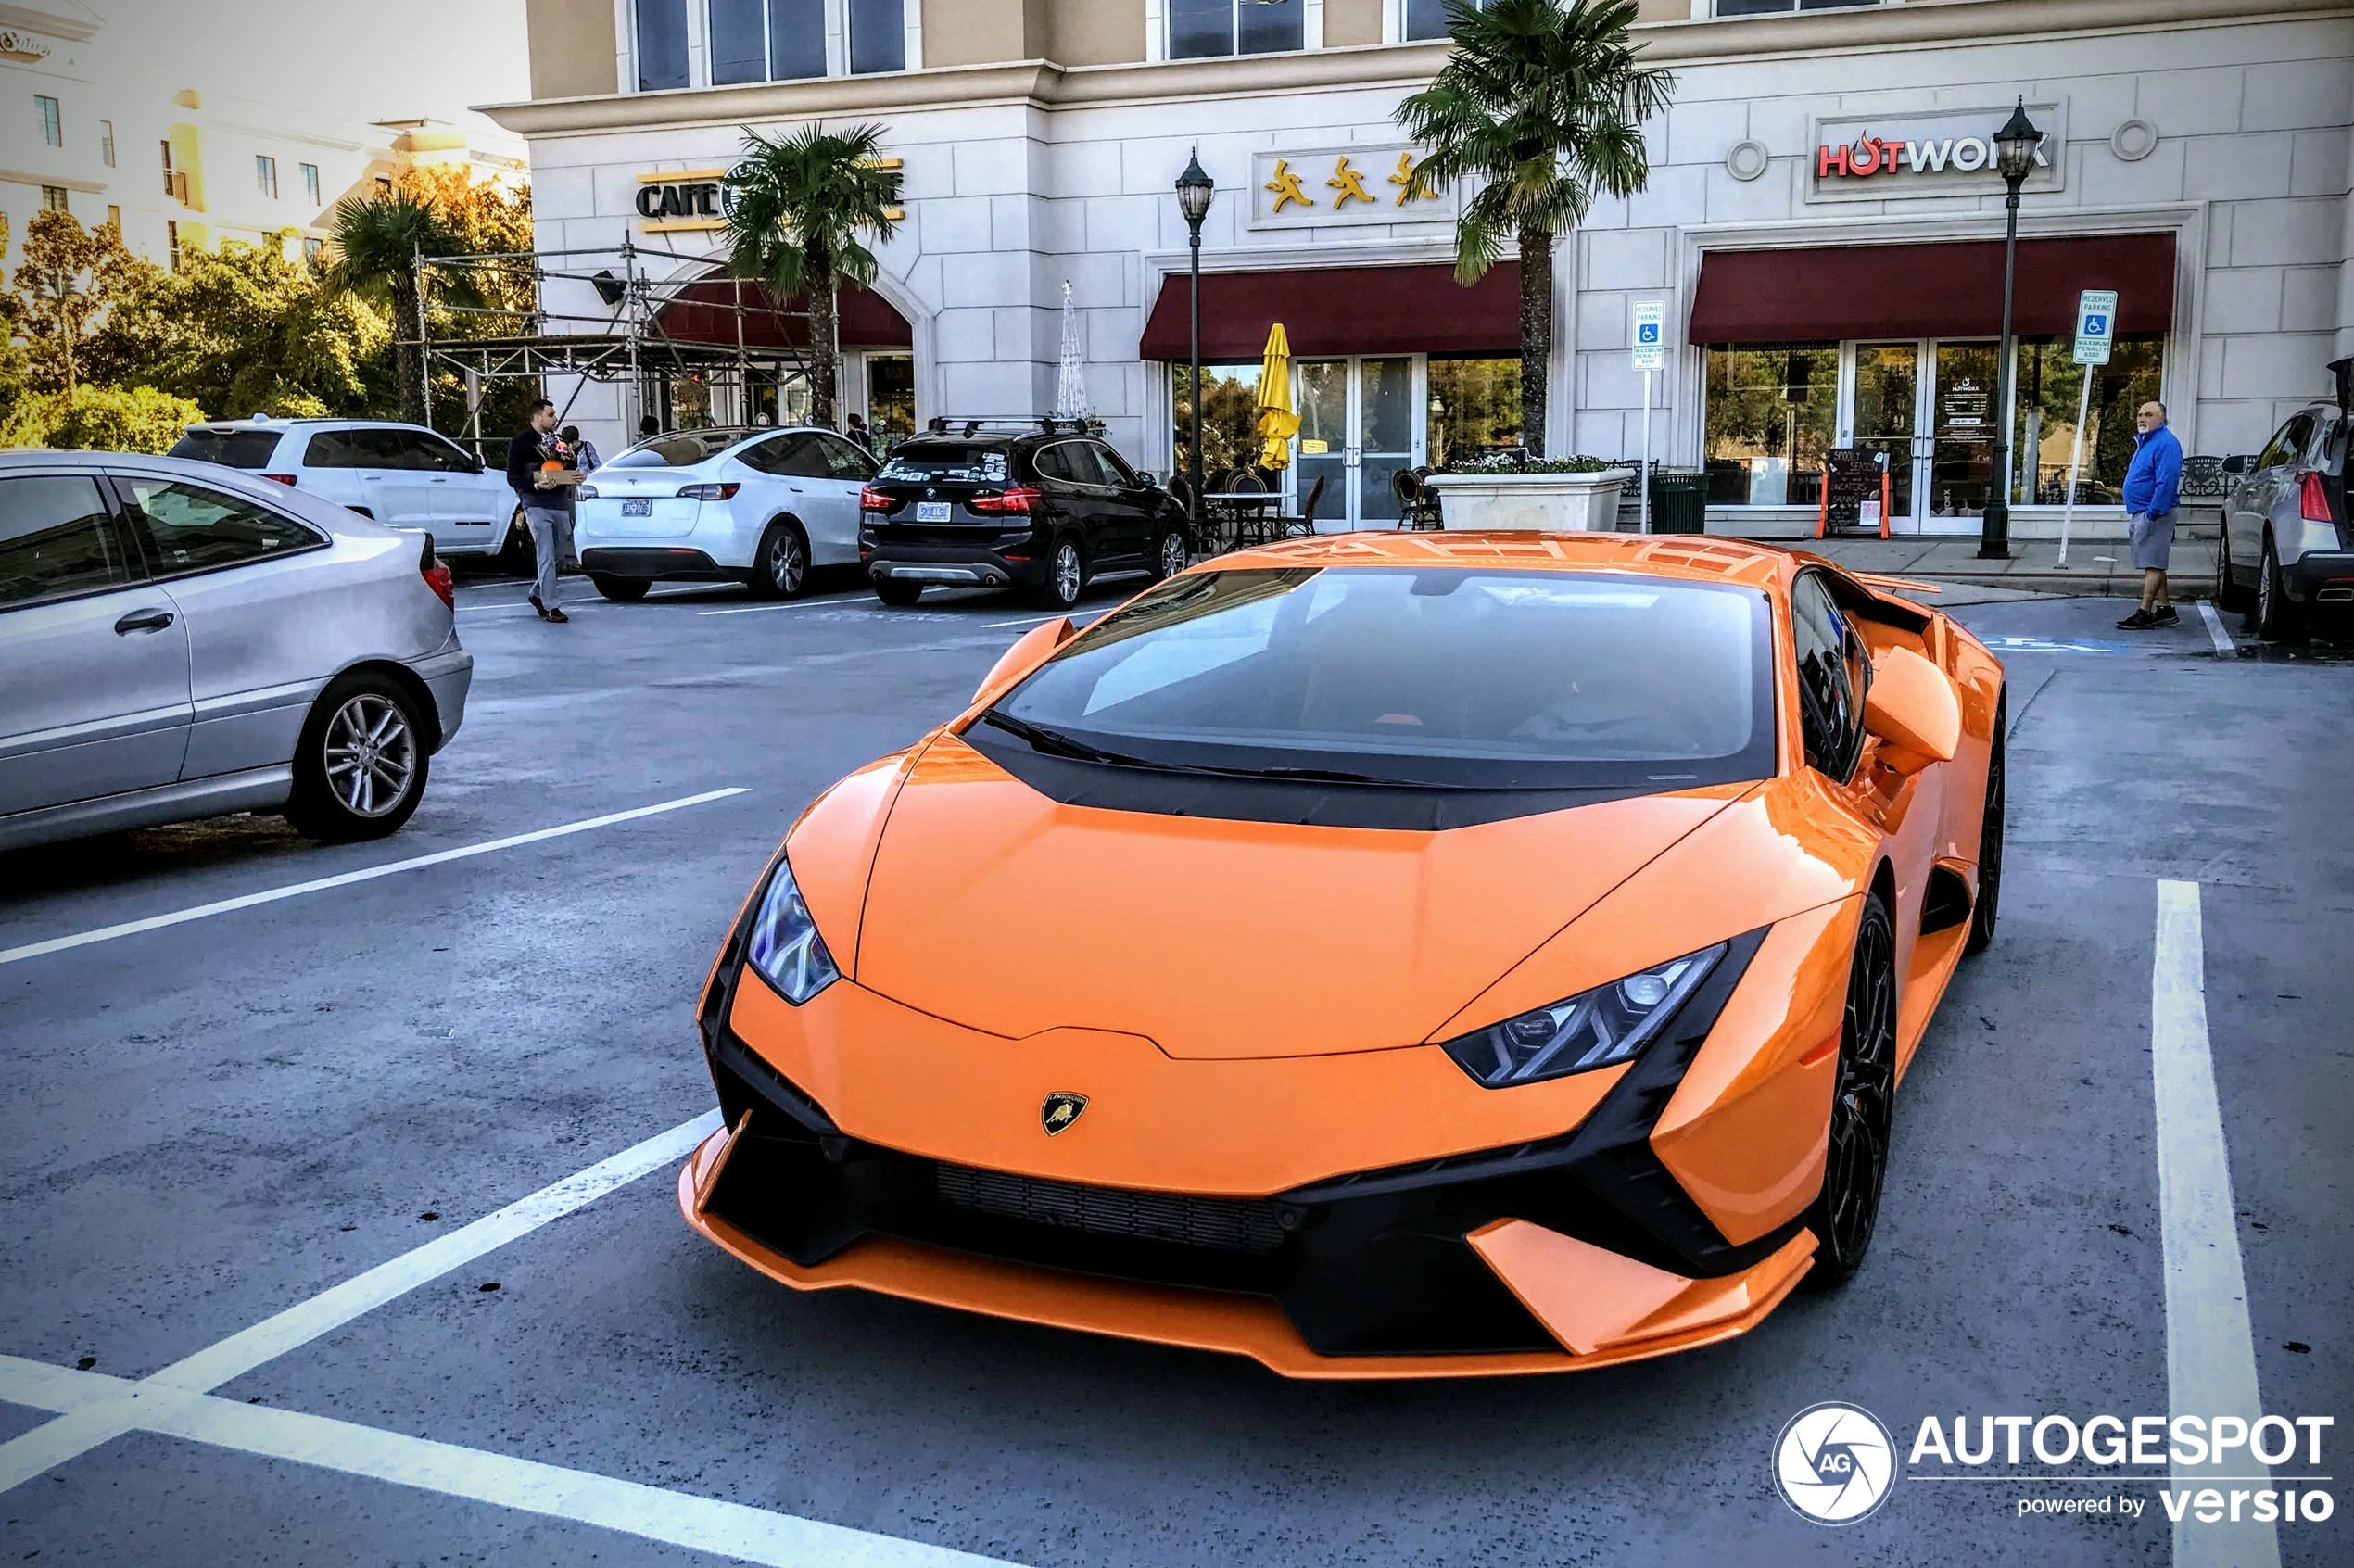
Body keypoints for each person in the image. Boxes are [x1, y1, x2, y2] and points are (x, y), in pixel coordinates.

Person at [506, 398, 576, 623]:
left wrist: (572, 475)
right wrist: (535, 484)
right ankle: (552, 607)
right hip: (535, 504)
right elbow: (513, 476)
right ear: (538, 416)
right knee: (545, 554)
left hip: (559, 503)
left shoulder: (558, 443)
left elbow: (568, 468)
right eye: (551, 415)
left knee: (558, 558)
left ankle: (537, 595)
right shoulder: (520, 443)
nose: (556, 419)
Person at [2116, 400, 2183, 630]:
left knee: (2152, 565)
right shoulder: (2147, 442)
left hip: (2154, 513)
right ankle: (2165, 609)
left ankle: (2144, 612)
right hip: (2142, 511)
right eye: (2140, 415)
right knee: (2153, 563)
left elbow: (2167, 482)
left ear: (2162, 419)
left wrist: (2153, 512)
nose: (2142, 419)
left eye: (2149, 415)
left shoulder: (2166, 444)